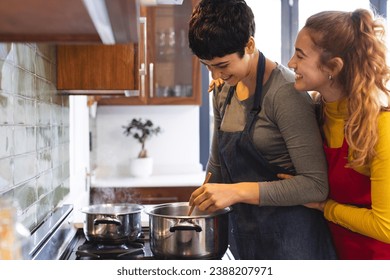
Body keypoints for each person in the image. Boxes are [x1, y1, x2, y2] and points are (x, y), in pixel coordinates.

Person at [187, 0, 336, 260]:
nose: (214, 76)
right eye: (206, 65)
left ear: (250, 45)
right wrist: (201, 206)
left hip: (293, 243)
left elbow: (315, 186)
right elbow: (217, 171)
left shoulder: (286, 93)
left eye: (222, 66)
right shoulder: (223, 90)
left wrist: (236, 192)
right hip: (246, 240)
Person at [287, 8, 390, 259]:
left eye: (300, 56)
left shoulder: (382, 126)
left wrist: (326, 207)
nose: (291, 64)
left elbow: (386, 226)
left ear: (333, 66)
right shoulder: (317, 113)